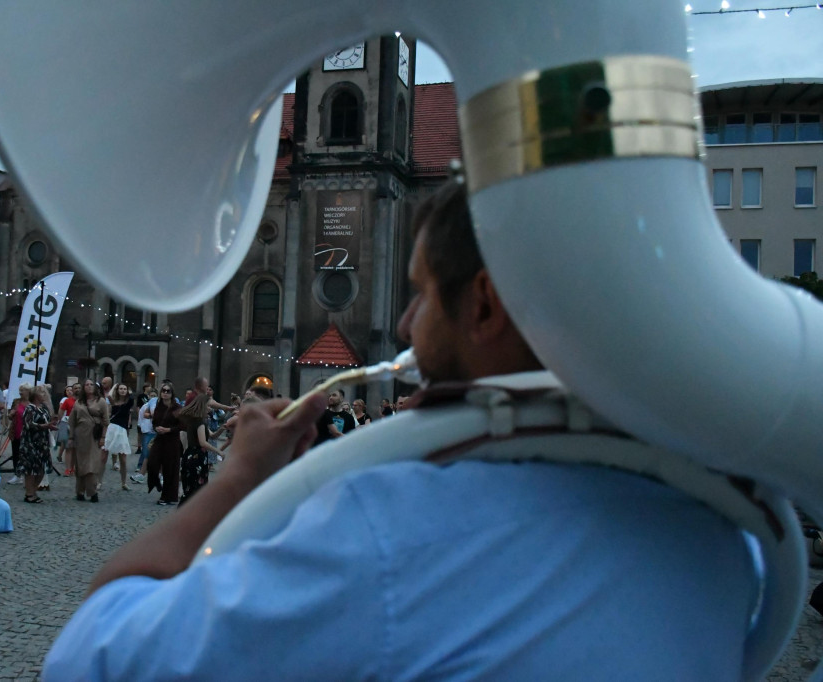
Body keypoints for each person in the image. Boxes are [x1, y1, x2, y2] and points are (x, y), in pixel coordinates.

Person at [44, 180, 757, 680]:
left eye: (420, 293)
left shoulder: (387, 526)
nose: (409, 325)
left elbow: (92, 656)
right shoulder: (724, 529)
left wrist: (237, 479)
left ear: (484, 304)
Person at [176, 392, 224, 506]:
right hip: (197, 457)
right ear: (202, 406)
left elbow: (212, 436)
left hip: (189, 456)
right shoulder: (200, 422)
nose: (210, 408)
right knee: (196, 491)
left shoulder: (195, 420)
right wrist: (218, 451)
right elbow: (203, 442)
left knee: (189, 491)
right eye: (208, 406)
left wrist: (222, 428)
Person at [68, 379, 109, 503]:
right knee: (80, 464)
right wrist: (71, 437)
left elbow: (106, 421)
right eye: (86, 385)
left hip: (94, 435)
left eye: (91, 384)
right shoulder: (78, 403)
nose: (89, 387)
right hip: (80, 435)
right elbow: (72, 420)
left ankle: (92, 492)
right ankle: (79, 491)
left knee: (91, 464)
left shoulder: (101, 402)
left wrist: (103, 437)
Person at [144, 381, 183, 505]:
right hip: (160, 439)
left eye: (168, 391)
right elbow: (155, 421)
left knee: (169, 469)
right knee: (152, 463)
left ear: (172, 394)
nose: (165, 393)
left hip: (172, 440)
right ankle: (156, 483)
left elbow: (182, 425)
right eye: (163, 391)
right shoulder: (159, 406)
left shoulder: (177, 408)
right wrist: (157, 428)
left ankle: (167, 496)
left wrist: (168, 430)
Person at [19, 385, 56, 503]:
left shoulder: (44, 408)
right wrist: (44, 426)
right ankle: (29, 493)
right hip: (30, 442)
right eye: (42, 393)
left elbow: (47, 421)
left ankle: (33, 491)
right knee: (30, 469)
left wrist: (51, 425)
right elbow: (28, 424)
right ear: (35, 395)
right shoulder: (30, 408)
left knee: (41, 469)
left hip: (42, 442)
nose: (44, 395)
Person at [106, 384, 135, 491]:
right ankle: (99, 482)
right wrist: (115, 386)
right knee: (104, 455)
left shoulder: (128, 403)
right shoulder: (114, 402)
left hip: (122, 430)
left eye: (124, 389)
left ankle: (124, 482)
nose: (123, 391)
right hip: (112, 428)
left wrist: (129, 391)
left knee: (123, 458)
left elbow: (131, 398)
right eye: (121, 389)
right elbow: (109, 395)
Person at [7, 383, 32, 484]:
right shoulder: (16, 402)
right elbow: (10, 416)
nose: (21, 392)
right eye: (20, 390)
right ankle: (17, 474)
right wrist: (11, 414)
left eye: (23, 390)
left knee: (27, 454)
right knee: (16, 453)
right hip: (16, 430)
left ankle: (27, 474)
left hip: (28, 432)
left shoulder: (32, 402)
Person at [55, 385, 76, 473]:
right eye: (68, 390)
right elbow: (61, 411)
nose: (70, 392)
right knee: (68, 447)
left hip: (79, 424)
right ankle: (68, 469)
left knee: (75, 448)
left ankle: (73, 467)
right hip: (67, 423)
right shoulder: (67, 400)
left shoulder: (82, 401)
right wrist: (60, 421)